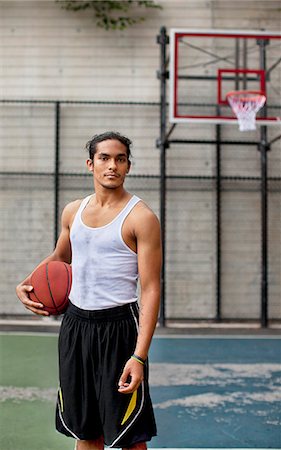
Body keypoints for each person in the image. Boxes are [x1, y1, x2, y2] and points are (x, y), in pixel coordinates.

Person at [16, 131, 162, 450]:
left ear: (128, 166)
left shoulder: (142, 218)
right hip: (76, 326)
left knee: (129, 437)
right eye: (105, 158)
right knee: (86, 431)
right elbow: (59, 258)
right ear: (90, 164)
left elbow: (151, 289)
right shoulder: (73, 212)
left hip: (120, 329)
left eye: (120, 159)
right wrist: (27, 283)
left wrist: (139, 355)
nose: (113, 165)